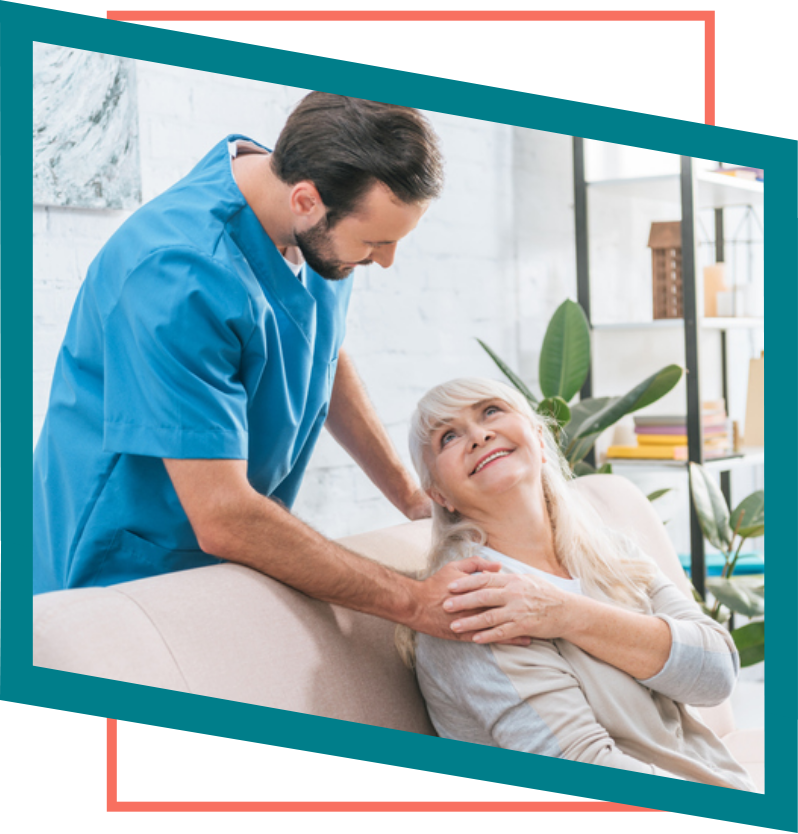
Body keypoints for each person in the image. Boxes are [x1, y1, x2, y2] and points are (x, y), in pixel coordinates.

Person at [32, 93, 514, 643]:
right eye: (376, 243)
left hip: (221, 551)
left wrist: (408, 495)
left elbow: (319, 349)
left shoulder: (311, 203)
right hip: (120, 566)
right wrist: (414, 602)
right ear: (306, 201)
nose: (385, 261)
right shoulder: (176, 275)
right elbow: (223, 514)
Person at [396, 377, 756, 791]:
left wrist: (564, 614)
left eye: (490, 411)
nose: (478, 435)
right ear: (439, 495)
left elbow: (716, 674)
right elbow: (585, 771)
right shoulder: (472, 602)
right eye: (448, 437)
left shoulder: (607, 551)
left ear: (536, 434)